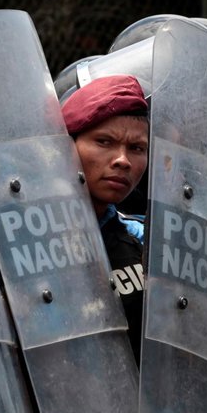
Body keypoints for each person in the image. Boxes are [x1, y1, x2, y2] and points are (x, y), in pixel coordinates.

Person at [61, 74, 148, 363]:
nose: (122, 160)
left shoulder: (147, 240)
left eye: (137, 148)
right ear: (66, 146)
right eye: (104, 141)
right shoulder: (19, 239)